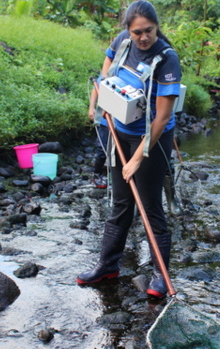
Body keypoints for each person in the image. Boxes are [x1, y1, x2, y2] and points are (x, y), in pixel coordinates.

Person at [76, 0, 182, 299]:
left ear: (156, 27)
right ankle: (108, 266)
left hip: (151, 138)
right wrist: (97, 102)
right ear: (128, 31)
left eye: (148, 31)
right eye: (137, 32)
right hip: (119, 131)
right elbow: (106, 72)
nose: (143, 37)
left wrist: (138, 158)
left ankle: (161, 274)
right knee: (121, 203)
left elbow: (162, 117)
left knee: (149, 206)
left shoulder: (167, 60)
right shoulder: (123, 42)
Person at [88, 79, 108, 189]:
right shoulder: (111, 67)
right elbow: (97, 87)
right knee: (102, 149)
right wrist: (91, 107)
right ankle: (97, 174)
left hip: (125, 122)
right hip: (106, 119)